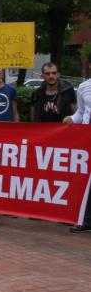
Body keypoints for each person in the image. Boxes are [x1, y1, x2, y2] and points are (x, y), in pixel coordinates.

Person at [63, 75, 91, 233]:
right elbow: (81, 112)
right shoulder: (84, 87)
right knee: (85, 180)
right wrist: (72, 119)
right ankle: (85, 220)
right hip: (87, 141)